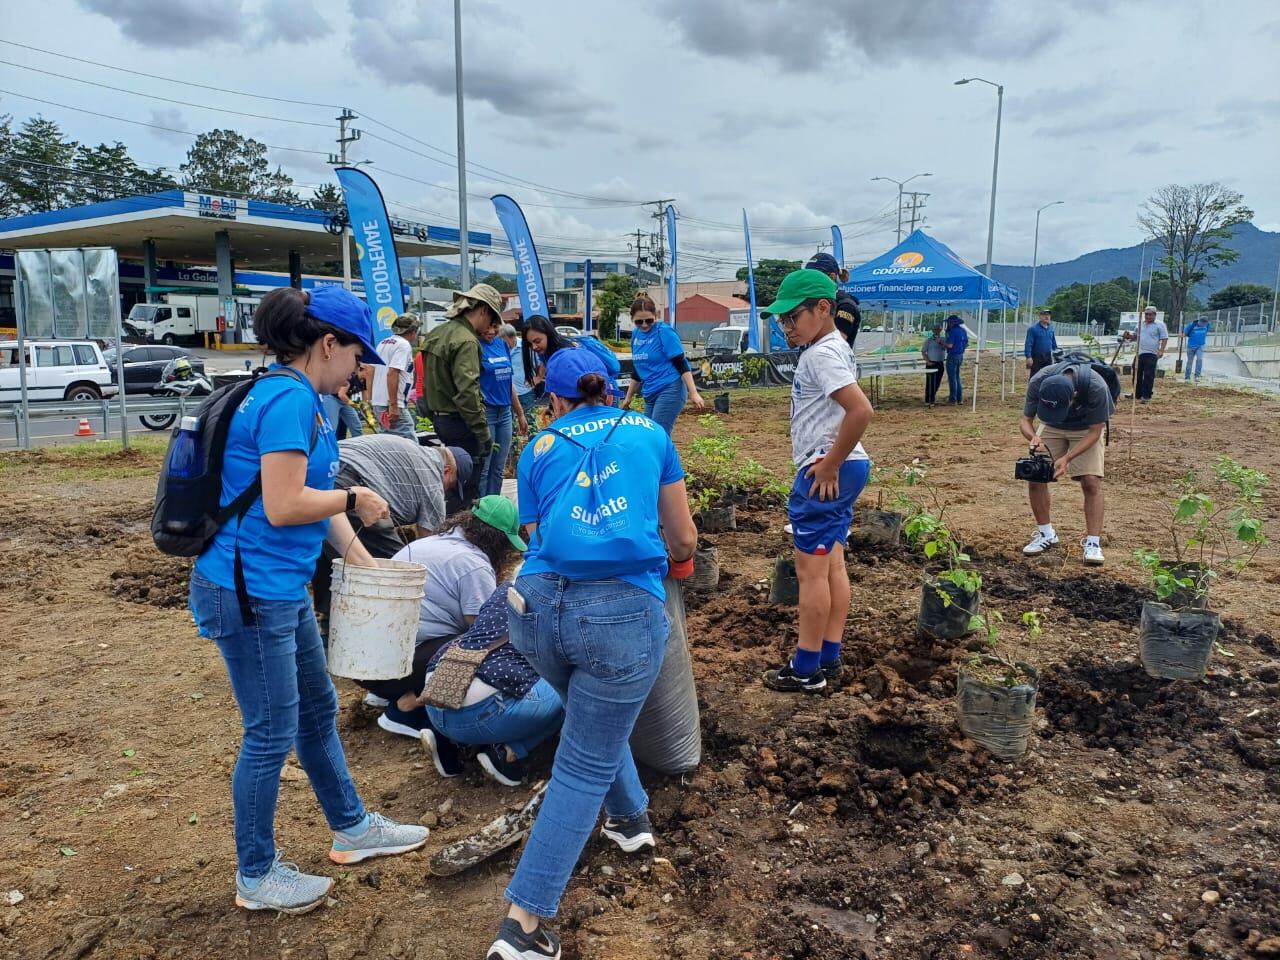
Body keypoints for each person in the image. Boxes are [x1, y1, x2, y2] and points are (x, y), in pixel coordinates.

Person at [188, 286, 428, 915]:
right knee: (270, 730)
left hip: (280, 586)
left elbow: (313, 498)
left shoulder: (308, 401)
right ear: (327, 344)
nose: (359, 368)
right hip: (249, 592)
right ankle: (256, 873)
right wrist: (356, 498)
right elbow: (284, 503)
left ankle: (352, 828)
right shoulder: (289, 400)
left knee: (316, 708)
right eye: (356, 355)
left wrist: (365, 562)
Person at [487, 348, 697, 960]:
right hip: (620, 615)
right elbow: (684, 538)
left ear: (553, 399)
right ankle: (522, 927)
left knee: (591, 723)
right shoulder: (651, 433)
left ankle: (629, 819)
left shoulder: (537, 447)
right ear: (610, 388)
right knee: (583, 761)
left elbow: (535, 538)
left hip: (533, 610)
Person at [756, 270, 873, 695]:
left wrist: (828, 466)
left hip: (827, 471)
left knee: (810, 574)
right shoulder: (836, 345)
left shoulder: (819, 355)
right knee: (832, 565)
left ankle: (806, 668)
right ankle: (828, 654)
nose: (786, 326)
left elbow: (861, 410)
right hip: (846, 466)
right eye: (781, 320)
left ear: (823, 309)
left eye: (793, 317)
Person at [365, 497, 526, 764]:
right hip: (400, 667)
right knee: (483, 646)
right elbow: (483, 629)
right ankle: (409, 711)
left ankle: (390, 695)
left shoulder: (425, 543)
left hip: (364, 661)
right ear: (499, 542)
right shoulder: (473, 564)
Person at [311, 437, 473, 636]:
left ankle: (327, 621)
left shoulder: (415, 452)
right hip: (351, 483)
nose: (446, 493)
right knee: (399, 567)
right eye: (451, 486)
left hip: (322, 470)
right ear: (447, 470)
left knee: (330, 544)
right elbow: (428, 547)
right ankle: (383, 630)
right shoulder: (433, 478)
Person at [417, 584, 564, 788]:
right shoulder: (568, 602)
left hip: (435, 698)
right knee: (575, 689)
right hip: (482, 714)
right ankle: (507, 754)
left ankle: (449, 743)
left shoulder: (507, 588)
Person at [1019, 357, 1116, 566]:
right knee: (1036, 475)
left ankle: (1093, 543)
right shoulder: (1039, 381)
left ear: (1074, 395)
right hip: (1051, 427)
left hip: (1086, 428)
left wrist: (1067, 458)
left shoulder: (1096, 387)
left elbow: (1095, 431)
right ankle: (1046, 534)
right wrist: (1033, 437)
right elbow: (1025, 421)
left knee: (1091, 481)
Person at [422, 284, 502, 501]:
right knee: (467, 487)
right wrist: (483, 434)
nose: (491, 325)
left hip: (441, 420)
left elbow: (427, 382)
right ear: (483, 310)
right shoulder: (466, 340)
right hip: (462, 423)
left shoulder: (437, 334)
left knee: (449, 483)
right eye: (492, 318)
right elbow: (468, 393)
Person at [620, 293, 705, 434]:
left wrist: (694, 393)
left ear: (656, 315)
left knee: (658, 434)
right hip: (650, 392)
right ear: (632, 319)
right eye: (639, 322)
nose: (644, 325)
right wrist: (628, 398)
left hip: (670, 389)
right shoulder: (636, 335)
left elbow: (681, 364)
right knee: (649, 434)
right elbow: (638, 369)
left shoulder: (664, 332)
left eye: (649, 320)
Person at [480, 320, 529, 497]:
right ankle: (480, 506)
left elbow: (508, 382)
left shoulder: (502, 345)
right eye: (487, 327)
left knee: (498, 467)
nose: (491, 331)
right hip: (487, 412)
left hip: (505, 413)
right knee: (485, 467)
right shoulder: (476, 346)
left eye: (495, 327)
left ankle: (494, 505)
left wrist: (520, 413)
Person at [370, 313, 419, 441]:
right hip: (391, 402)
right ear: (414, 331)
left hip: (379, 401)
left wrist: (370, 400)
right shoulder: (403, 345)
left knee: (388, 442)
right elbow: (392, 373)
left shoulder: (382, 343)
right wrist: (394, 405)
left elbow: (370, 371)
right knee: (409, 443)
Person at [805, 252, 861, 354]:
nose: (809, 282)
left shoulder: (845, 306)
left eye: (814, 277)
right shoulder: (814, 302)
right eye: (807, 277)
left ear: (832, 277)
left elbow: (833, 345)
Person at [504, 322, 537, 430]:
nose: (503, 344)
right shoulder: (500, 349)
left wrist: (538, 378)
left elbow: (541, 363)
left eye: (505, 341)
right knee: (511, 427)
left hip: (525, 393)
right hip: (507, 394)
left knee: (530, 424)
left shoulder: (526, 347)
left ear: (512, 337)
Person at [1131, 305, 1168, 402]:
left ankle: (1146, 396)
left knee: (1148, 375)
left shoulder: (1160, 325)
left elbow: (1164, 338)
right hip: (1139, 352)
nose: (1148, 316)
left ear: (1155, 315)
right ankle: (1137, 394)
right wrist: (1129, 336)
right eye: (1146, 314)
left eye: (1150, 315)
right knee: (1136, 373)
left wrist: (1161, 350)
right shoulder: (1140, 324)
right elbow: (1135, 336)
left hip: (1152, 353)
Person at [1025, 308, 1059, 375]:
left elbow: (1053, 342)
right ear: (1040, 317)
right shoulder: (1033, 329)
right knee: (1035, 375)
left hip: (1048, 356)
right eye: (1044, 315)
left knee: (1048, 375)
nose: (1047, 316)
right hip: (1037, 356)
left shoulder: (1051, 328)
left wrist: (1057, 352)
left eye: (1048, 315)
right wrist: (1028, 357)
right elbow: (1028, 344)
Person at [921, 321, 947, 407]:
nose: (937, 331)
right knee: (930, 383)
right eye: (936, 329)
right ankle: (928, 400)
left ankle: (932, 398)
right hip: (931, 363)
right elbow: (923, 352)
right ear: (933, 330)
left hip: (940, 363)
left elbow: (947, 347)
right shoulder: (928, 340)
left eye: (939, 329)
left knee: (937, 382)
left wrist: (941, 343)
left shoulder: (943, 339)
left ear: (941, 330)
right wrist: (928, 361)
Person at [945, 315, 968, 405]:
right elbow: (966, 344)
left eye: (948, 322)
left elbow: (950, 345)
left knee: (952, 378)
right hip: (960, 355)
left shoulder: (952, 331)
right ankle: (959, 398)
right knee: (957, 377)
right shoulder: (963, 331)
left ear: (952, 323)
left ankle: (953, 399)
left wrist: (941, 342)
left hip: (952, 355)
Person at [1184, 315, 1211, 382]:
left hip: (1200, 346)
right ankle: (1187, 377)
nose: (1203, 324)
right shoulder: (1192, 325)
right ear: (1199, 321)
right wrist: (1183, 335)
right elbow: (1185, 333)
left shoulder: (1207, 325)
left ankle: (1197, 376)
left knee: (1199, 360)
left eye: (1205, 323)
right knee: (1190, 361)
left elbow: (1206, 331)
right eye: (1202, 323)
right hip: (1191, 346)